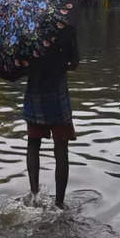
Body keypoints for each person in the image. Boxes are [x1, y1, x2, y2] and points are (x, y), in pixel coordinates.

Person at [24, 25, 79, 208]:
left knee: (33, 143)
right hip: (58, 94)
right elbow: (75, 61)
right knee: (61, 147)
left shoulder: (28, 29)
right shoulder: (65, 26)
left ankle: (34, 196)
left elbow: (21, 63)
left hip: (35, 93)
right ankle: (60, 202)